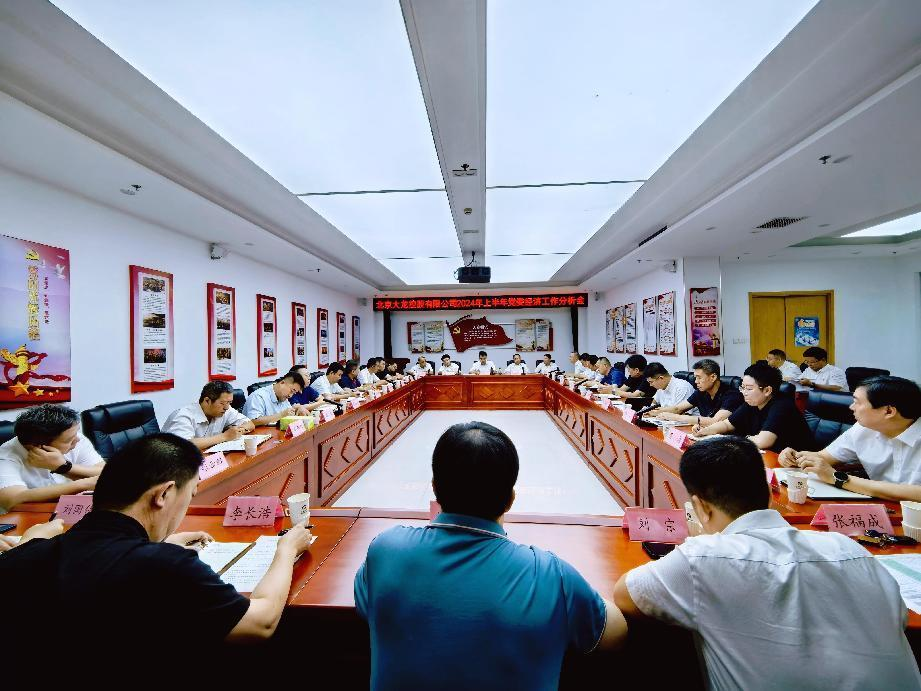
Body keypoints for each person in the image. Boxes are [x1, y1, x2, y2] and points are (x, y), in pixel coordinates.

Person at [613, 436, 920, 690]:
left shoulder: (703, 557)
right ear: (771, 496)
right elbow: (896, 618)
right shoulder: (850, 548)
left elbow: (626, 595)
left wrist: (698, 543)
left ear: (700, 507)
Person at [0, 434, 315, 667]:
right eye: (189, 495)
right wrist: (286, 550)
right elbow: (259, 623)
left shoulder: (23, 558)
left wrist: (155, 545)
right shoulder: (164, 565)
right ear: (163, 495)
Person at [354, 422, 626, 690]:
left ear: (434, 488)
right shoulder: (552, 575)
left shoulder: (385, 550)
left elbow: (368, 606)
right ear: (510, 500)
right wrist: (575, 592)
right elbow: (615, 634)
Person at [779, 376, 921, 501]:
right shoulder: (862, 429)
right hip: (882, 507)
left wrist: (838, 478)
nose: (851, 407)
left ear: (889, 411)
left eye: (857, 402)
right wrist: (795, 457)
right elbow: (823, 457)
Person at [0, 404, 105, 513]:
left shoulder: (74, 437)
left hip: (73, 511)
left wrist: (64, 467)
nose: (77, 440)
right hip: (32, 517)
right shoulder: (5, 457)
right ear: (39, 446)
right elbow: (13, 499)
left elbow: (105, 473)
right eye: (68, 440)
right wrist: (83, 484)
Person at [695, 363, 814, 452]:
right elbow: (727, 424)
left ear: (767, 390)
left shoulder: (782, 405)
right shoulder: (752, 402)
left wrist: (726, 441)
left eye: (749, 388)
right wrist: (706, 430)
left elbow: (763, 441)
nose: (744, 392)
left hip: (797, 465)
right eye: (742, 387)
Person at [162, 381, 255, 451]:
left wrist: (237, 431)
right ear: (207, 401)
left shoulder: (225, 409)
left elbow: (250, 424)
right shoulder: (183, 416)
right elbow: (183, 445)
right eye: (222, 403)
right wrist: (225, 436)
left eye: (229, 403)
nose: (226, 407)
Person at [650, 359, 744, 426]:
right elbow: (678, 408)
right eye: (695, 378)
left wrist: (675, 417)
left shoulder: (732, 395)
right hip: (706, 433)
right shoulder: (701, 392)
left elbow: (715, 421)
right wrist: (654, 412)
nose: (696, 382)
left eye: (699, 378)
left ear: (713, 377)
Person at [242, 371, 310, 426]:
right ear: (282, 383)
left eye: (294, 393)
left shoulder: (283, 396)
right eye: (292, 391)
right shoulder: (258, 396)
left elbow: (287, 414)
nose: (290, 395)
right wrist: (281, 415)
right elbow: (253, 421)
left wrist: (298, 411)